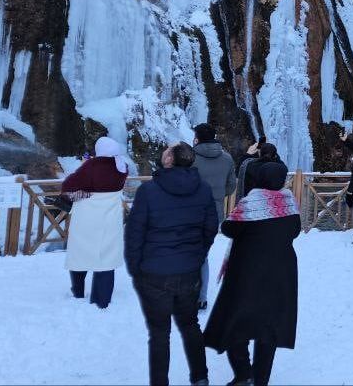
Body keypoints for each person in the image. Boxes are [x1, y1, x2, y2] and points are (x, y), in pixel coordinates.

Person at [125, 143, 219, 386]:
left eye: (167, 150)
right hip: (189, 271)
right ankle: (201, 378)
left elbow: (135, 234)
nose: (164, 152)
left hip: (154, 273)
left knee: (159, 334)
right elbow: (210, 228)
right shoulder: (204, 190)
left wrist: (136, 268)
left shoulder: (149, 191)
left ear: (169, 161)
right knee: (190, 325)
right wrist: (197, 256)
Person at [204, 161, 301, 386]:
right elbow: (295, 231)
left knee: (236, 322)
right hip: (280, 274)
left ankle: (243, 373)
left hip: (247, 273)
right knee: (269, 328)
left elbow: (228, 228)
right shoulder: (289, 204)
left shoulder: (250, 204)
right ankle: (260, 380)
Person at [61, 136, 129, 309]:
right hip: (110, 218)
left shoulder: (92, 166)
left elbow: (68, 185)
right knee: (106, 258)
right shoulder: (122, 166)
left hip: (87, 217)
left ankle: (78, 293)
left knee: (80, 254)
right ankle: (102, 299)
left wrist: (84, 169)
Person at [193, 123, 237, 311]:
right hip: (214, 212)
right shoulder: (227, 159)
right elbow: (231, 187)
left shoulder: (190, 157)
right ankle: (201, 297)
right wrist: (217, 195)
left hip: (189, 211)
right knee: (202, 256)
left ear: (197, 138)